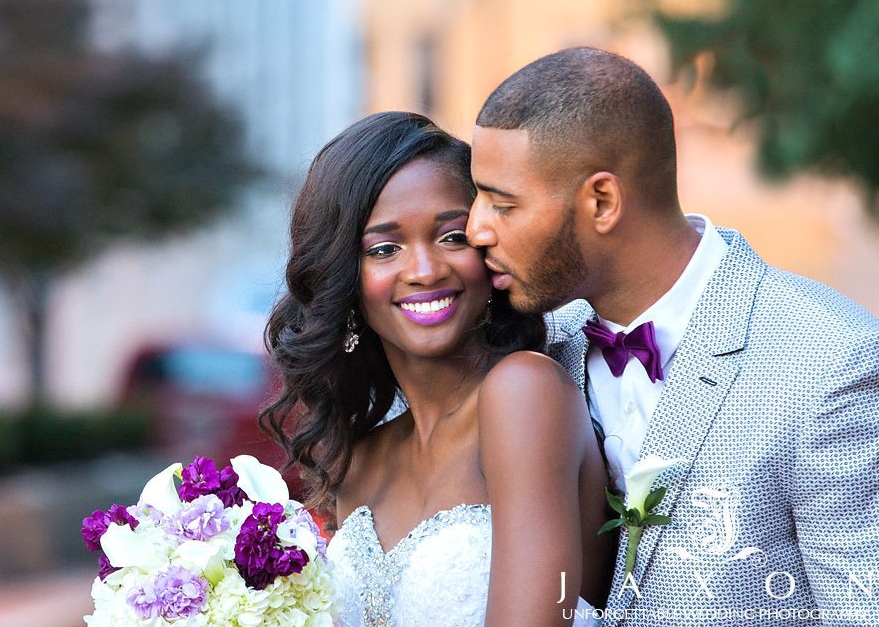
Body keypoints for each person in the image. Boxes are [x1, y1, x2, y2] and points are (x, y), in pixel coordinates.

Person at [466, 47, 879, 625]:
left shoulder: (832, 361)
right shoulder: (535, 356)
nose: (475, 228)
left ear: (602, 201)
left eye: (503, 204)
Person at [261, 111, 614, 627]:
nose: (425, 270)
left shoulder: (525, 393)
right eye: (384, 249)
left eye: (452, 237)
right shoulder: (358, 462)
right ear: (345, 280)